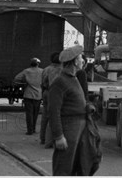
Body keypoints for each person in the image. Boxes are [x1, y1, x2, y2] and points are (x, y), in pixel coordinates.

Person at [48, 45, 101, 176]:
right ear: (75, 62)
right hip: (68, 128)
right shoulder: (59, 82)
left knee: (83, 162)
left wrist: (87, 106)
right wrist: (59, 136)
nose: (83, 61)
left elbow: (78, 99)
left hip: (80, 127)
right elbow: (53, 111)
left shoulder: (74, 78)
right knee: (64, 166)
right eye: (80, 58)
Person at [14, 57, 43, 135]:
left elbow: (16, 78)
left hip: (28, 94)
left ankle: (29, 130)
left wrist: (23, 83)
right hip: (38, 95)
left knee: (29, 113)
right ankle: (33, 129)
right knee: (35, 113)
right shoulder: (42, 71)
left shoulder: (26, 71)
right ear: (38, 64)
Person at [40, 52, 62, 145]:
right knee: (56, 115)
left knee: (45, 115)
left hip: (46, 92)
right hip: (56, 94)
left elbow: (43, 81)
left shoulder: (46, 69)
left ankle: (43, 138)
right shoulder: (62, 70)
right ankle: (53, 139)